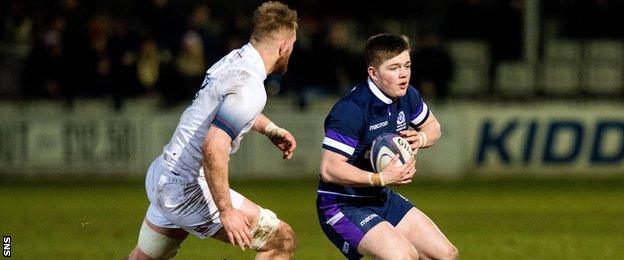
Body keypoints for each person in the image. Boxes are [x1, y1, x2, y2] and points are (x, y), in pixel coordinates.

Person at [128, 2, 299, 259]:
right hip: (187, 188)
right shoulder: (251, 85)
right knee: (282, 240)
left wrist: (270, 128)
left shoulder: (233, 60)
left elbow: (223, 109)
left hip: (162, 174)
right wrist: (226, 211)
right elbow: (213, 147)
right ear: (284, 46)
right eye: (293, 46)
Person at [316, 33, 458, 260]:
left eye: (407, 66)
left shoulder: (407, 96)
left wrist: (420, 139)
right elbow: (330, 169)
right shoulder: (351, 110)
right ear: (373, 73)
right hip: (342, 204)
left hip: (380, 197)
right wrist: (380, 178)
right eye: (393, 68)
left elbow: (433, 127)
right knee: (402, 256)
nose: (403, 75)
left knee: (445, 255)